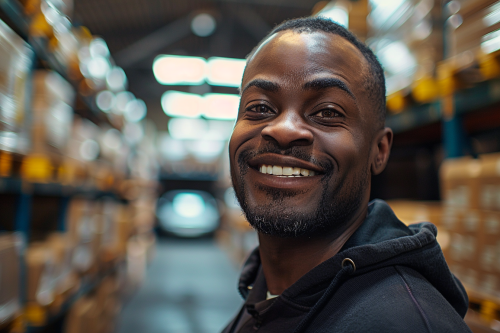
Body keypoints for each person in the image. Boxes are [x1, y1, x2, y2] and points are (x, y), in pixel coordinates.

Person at [223, 17, 471, 333]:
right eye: (259, 107)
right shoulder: (264, 294)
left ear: (379, 150)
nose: (283, 130)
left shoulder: (404, 324)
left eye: (327, 112)